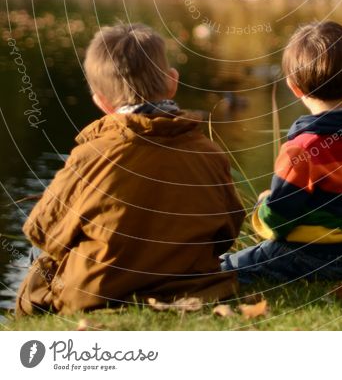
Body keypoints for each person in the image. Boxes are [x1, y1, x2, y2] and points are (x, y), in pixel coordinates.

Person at [16, 23, 245, 315]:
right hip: (192, 287)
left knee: (41, 268)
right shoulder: (209, 154)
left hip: (98, 295)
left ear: (100, 101)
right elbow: (228, 231)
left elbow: (42, 231)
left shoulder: (89, 158)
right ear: (172, 82)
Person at [221, 20, 342, 283]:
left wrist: (261, 206)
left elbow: (278, 223)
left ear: (294, 88)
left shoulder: (300, 152)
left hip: (302, 257)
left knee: (221, 268)